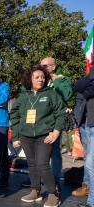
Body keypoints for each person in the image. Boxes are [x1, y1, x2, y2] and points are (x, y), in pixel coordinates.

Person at [10, 66, 66, 207]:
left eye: (42, 77)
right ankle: (35, 191)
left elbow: (61, 113)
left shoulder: (51, 94)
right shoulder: (23, 96)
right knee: (32, 164)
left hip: (44, 136)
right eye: (37, 77)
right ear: (30, 79)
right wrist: (16, 136)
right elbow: (14, 115)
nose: (41, 79)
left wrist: (56, 132)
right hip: (25, 136)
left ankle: (53, 194)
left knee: (42, 164)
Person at [38, 57, 73, 190]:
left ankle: (55, 180)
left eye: (45, 66)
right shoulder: (41, 79)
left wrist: (55, 79)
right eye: (41, 65)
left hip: (54, 121)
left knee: (55, 152)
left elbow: (67, 95)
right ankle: (38, 179)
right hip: (40, 120)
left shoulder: (62, 79)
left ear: (53, 67)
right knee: (39, 151)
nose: (42, 68)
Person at [74, 68, 94, 207]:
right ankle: (90, 199)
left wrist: (87, 86)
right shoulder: (91, 72)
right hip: (86, 122)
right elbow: (79, 86)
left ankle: (92, 205)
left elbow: (85, 90)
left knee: (91, 164)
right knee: (89, 163)